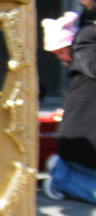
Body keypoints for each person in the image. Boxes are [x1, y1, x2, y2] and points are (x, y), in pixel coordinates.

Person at [41, 12, 96, 204]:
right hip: (81, 149)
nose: (60, 57)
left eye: (60, 51)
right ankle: (61, 176)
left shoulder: (84, 46)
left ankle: (61, 172)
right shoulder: (84, 52)